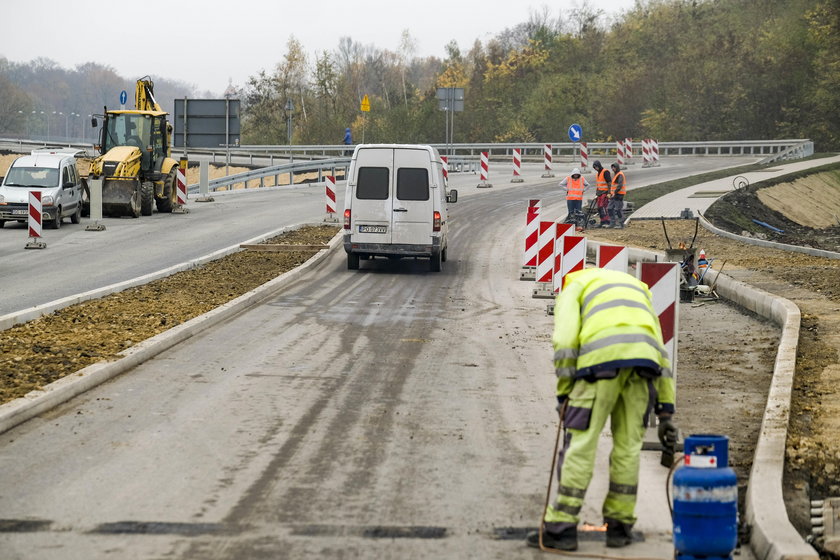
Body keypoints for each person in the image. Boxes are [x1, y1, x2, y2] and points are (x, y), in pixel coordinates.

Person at [526, 268, 677, 551]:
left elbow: (566, 342)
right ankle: (619, 529)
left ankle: (562, 529)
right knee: (628, 449)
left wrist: (564, 393)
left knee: (580, 446)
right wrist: (666, 410)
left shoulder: (574, 286)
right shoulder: (640, 290)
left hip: (597, 370)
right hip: (642, 370)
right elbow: (659, 351)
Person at [592, 160, 612, 227]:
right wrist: (596, 194)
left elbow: (609, 183)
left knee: (603, 207)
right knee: (599, 208)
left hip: (605, 192)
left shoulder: (605, 172)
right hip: (599, 193)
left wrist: (609, 193)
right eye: (594, 168)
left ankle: (607, 221)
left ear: (599, 166)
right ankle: (602, 221)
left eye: (596, 167)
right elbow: (598, 185)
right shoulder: (598, 174)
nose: (596, 169)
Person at [608, 162, 627, 228]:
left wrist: (615, 193)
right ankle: (612, 223)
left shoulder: (620, 175)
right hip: (614, 195)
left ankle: (621, 224)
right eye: (612, 167)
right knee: (609, 208)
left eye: (614, 167)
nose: (613, 169)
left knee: (618, 209)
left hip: (619, 195)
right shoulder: (616, 174)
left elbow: (620, 185)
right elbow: (613, 186)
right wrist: (610, 194)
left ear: (617, 167)